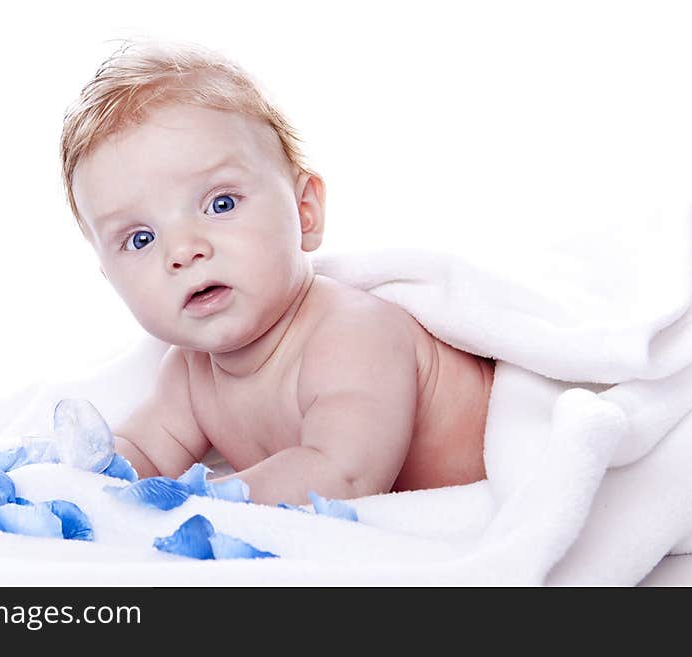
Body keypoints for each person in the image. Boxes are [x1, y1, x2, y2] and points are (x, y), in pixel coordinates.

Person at [60, 39, 494, 505]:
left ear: (304, 212)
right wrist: (85, 479)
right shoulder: (189, 374)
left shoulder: (352, 333)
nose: (183, 251)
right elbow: (141, 452)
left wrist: (197, 501)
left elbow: (341, 475)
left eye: (220, 204)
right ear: (110, 279)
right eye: (140, 239)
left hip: (484, 481)